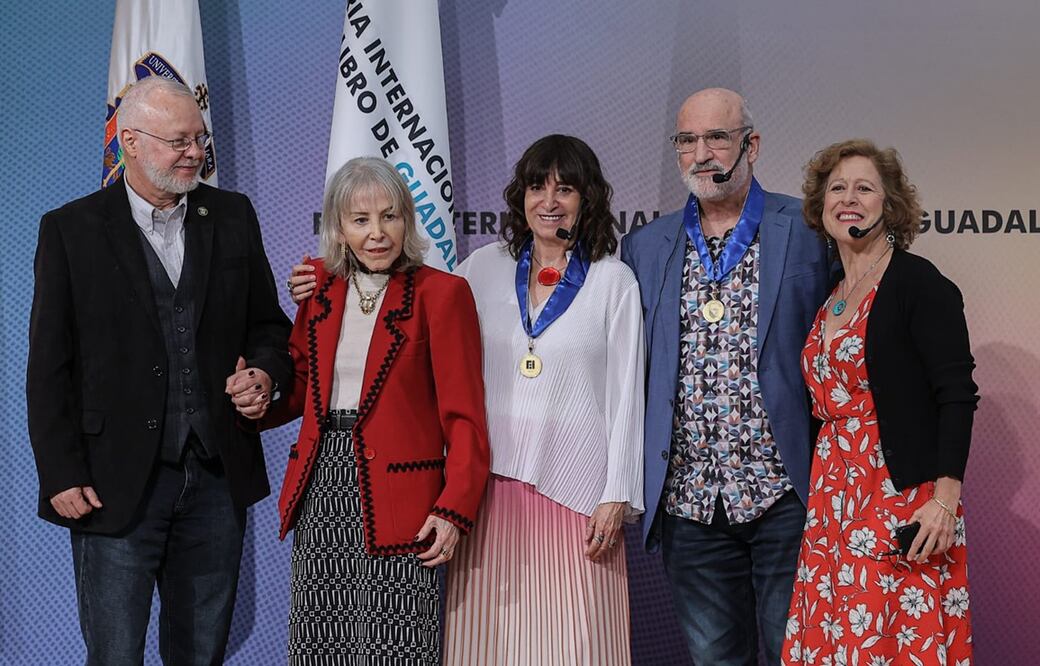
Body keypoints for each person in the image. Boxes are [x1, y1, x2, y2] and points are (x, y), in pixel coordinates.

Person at [291, 135, 646, 664]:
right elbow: (403, 298)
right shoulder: (482, 267)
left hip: (576, 493)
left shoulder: (613, 281)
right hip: (489, 492)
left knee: (573, 643)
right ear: (519, 197)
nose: (548, 201)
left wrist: (617, 491)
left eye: (565, 189)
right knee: (488, 643)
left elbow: (626, 396)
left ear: (587, 199)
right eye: (535, 187)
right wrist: (327, 275)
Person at [26, 76, 292, 664]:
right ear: (130, 143)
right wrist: (60, 472)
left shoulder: (232, 215)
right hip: (111, 484)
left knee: (201, 653)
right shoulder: (70, 230)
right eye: (179, 141)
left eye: (199, 138)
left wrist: (266, 377)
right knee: (115, 654)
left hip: (217, 479)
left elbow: (270, 329)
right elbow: (49, 365)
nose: (196, 153)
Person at [620, 88, 830, 664]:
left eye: (717, 137)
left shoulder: (810, 231)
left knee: (799, 655)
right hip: (691, 505)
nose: (701, 153)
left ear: (751, 145)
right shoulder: (644, 245)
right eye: (687, 140)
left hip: (786, 494)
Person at [259, 156, 490, 665]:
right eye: (360, 220)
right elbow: (301, 386)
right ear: (339, 228)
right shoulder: (320, 287)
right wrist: (258, 398)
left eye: (390, 216)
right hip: (322, 485)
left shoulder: (443, 294)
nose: (377, 233)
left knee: (399, 646)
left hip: (405, 499)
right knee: (321, 644)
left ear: (407, 219)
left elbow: (465, 417)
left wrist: (453, 510)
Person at [781, 139, 976, 665]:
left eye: (864, 187)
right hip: (832, 502)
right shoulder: (830, 294)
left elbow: (957, 396)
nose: (849, 198)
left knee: (893, 641)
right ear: (821, 206)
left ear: (888, 205)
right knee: (839, 639)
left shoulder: (919, 284)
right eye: (837, 188)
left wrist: (944, 502)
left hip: (900, 497)